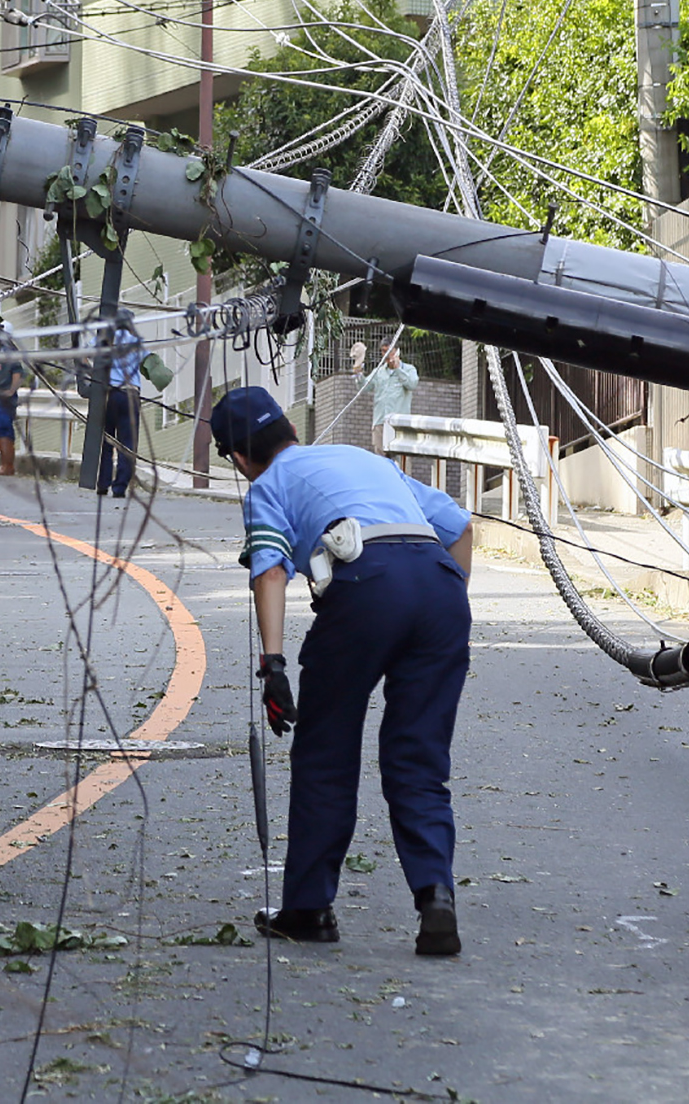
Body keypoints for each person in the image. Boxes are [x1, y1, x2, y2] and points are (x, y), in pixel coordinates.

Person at [209, 385, 474, 959]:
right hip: (440, 590)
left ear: (236, 457)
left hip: (364, 588)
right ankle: (436, 895)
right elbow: (459, 527)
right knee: (418, 755)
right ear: (291, 430)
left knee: (326, 750)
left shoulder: (265, 488)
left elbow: (271, 572)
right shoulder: (361, 458)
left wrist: (272, 665)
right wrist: (444, 607)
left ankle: (308, 907)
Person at [98, 306, 142, 498]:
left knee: (107, 440)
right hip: (131, 395)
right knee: (127, 443)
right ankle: (120, 487)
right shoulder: (137, 342)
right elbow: (150, 363)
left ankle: (102, 483)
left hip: (110, 395)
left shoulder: (106, 340)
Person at [360, 339, 420, 450]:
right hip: (380, 422)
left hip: (399, 424)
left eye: (390, 351)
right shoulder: (379, 371)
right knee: (380, 460)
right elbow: (364, 387)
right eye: (383, 351)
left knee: (401, 459)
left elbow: (412, 384)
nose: (387, 355)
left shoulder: (409, 369)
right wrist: (358, 372)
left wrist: (398, 369)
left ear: (397, 351)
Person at [0, 326, 27, 476]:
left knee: (3, 430)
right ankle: (5, 465)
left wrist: (11, 391)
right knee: (0, 430)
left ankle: (7, 466)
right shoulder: (3, 351)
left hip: (5, 400)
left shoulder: (9, 352)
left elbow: (18, 372)